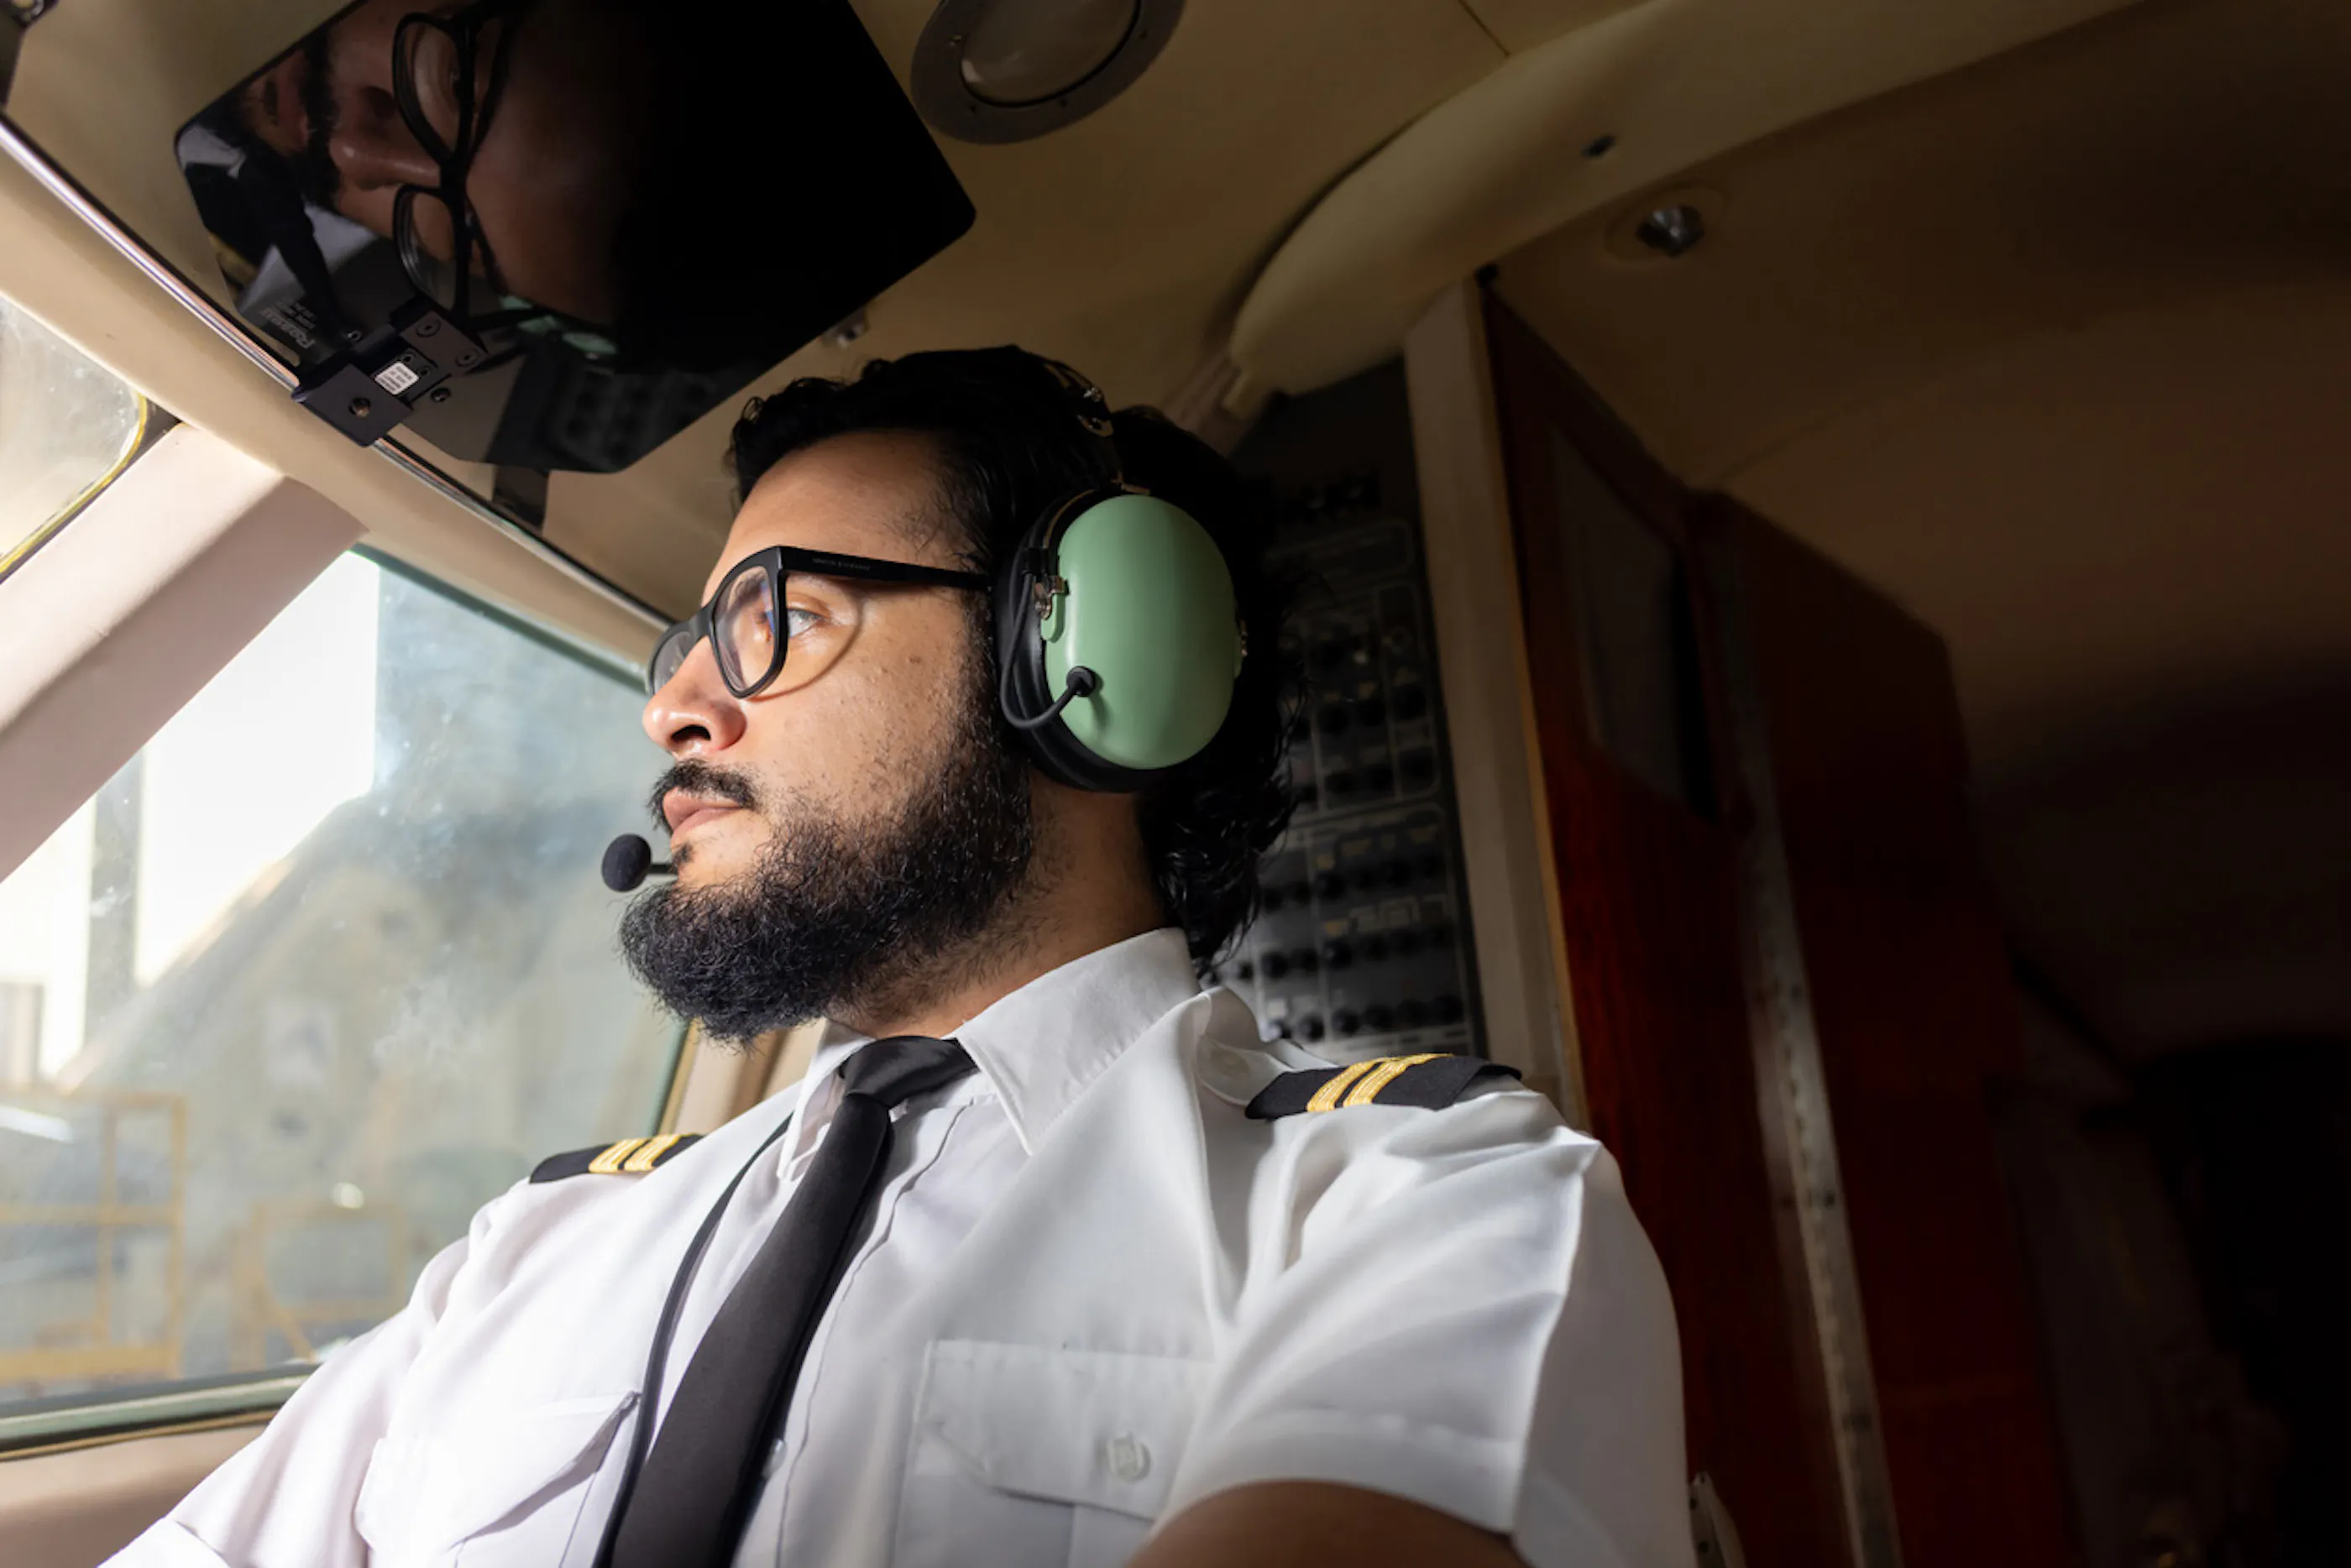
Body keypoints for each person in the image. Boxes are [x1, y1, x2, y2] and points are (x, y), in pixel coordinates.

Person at [109, 349, 1694, 1568]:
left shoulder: (1433, 1205)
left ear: (1084, 656)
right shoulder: (536, 1250)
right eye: (683, 651)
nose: (674, 714)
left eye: (775, 619)